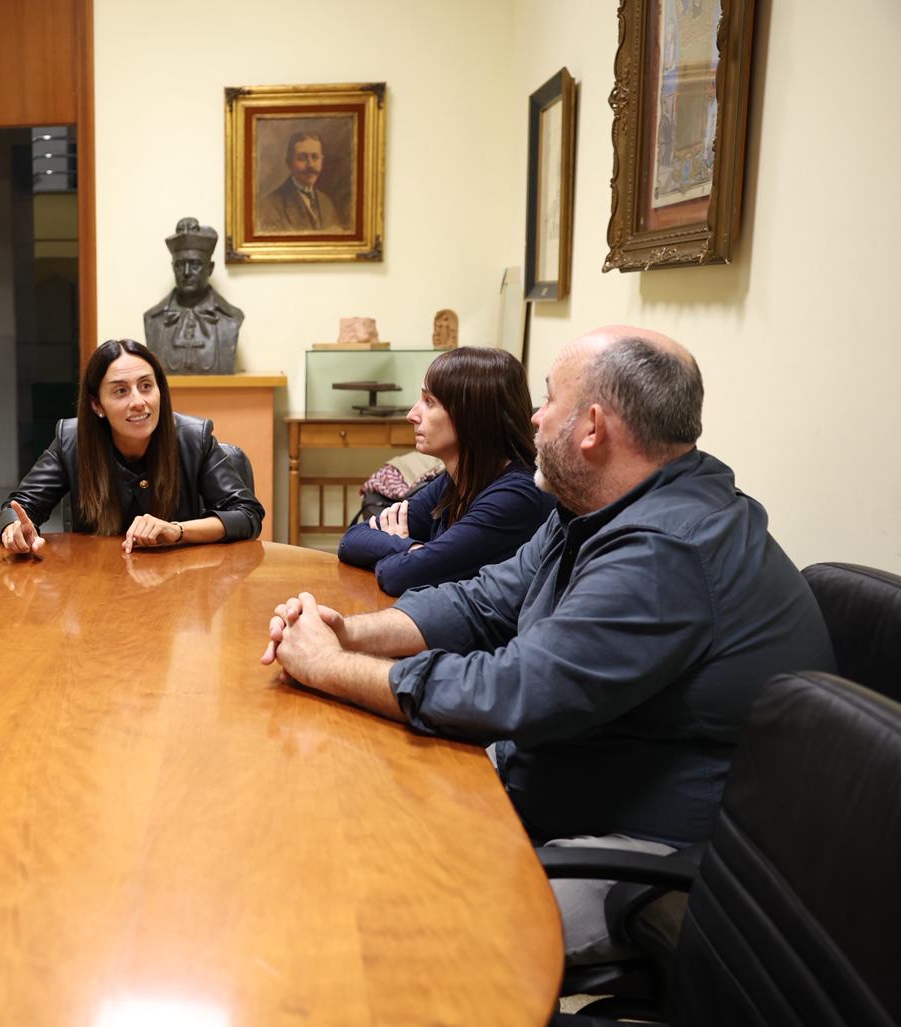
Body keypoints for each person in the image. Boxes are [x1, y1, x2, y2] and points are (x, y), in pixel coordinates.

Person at [261, 325, 834, 957]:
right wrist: (352, 633)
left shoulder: (665, 550)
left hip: (645, 853)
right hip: (555, 788)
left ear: (591, 427)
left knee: (389, 938)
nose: (532, 418)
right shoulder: (594, 508)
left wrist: (330, 667)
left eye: (547, 399)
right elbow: (482, 601)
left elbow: (511, 692)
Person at [0, 338, 264, 556]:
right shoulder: (71, 440)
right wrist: (14, 528)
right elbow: (21, 506)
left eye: (146, 386)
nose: (138, 401)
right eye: (121, 391)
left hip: (182, 589)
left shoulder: (195, 437)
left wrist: (177, 530)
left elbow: (247, 514)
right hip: (96, 588)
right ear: (96, 405)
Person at [337, 346, 552, 595]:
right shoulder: (459, 477)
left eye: (429, 402)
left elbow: (398, 576)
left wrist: (403, 548)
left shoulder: (516, 497)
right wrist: (413, 549)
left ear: (473, 415)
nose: (411, 415)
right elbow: (351, 540)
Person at [141, 218, 244, 374]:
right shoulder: (153, 319)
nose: (187, 272)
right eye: (180, 264)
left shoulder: (231, 318)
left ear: (210, 268)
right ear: (173, 268)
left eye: (195, 264)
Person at [256, 131, 343, 232]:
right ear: (289, 163)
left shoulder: (327, 203)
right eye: (302, 158)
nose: (310, 165)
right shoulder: (269, 207)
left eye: (315, 157)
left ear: (322, 160)